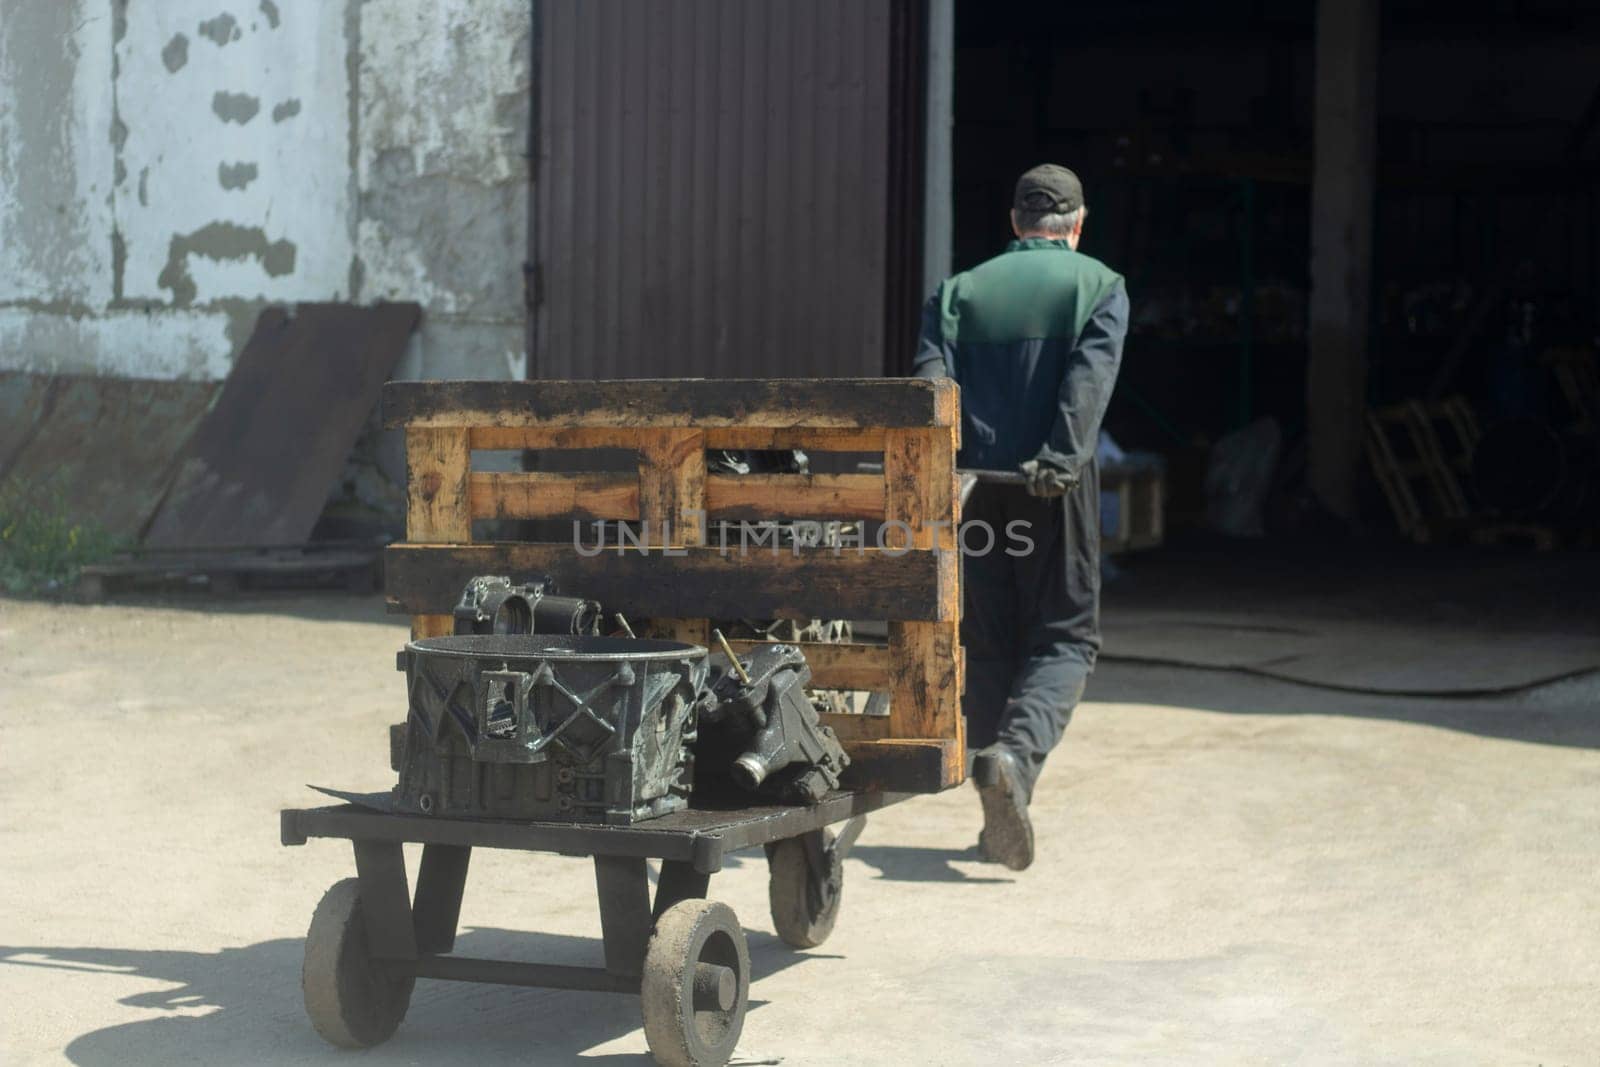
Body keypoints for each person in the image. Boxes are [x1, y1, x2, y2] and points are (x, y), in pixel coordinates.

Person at [913, 164, 1128, 871]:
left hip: (974, 496)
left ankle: (1002, 785)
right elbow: (1084, 385)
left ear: (1014, 223)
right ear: (1078, 222)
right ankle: (1014, 758)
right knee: (1065, 641)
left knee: (992, 643)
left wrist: (946, 478)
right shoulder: (1099, 285)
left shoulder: (958, 292)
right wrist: (1059, 463)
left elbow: (927, 389)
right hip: (1050, 492)